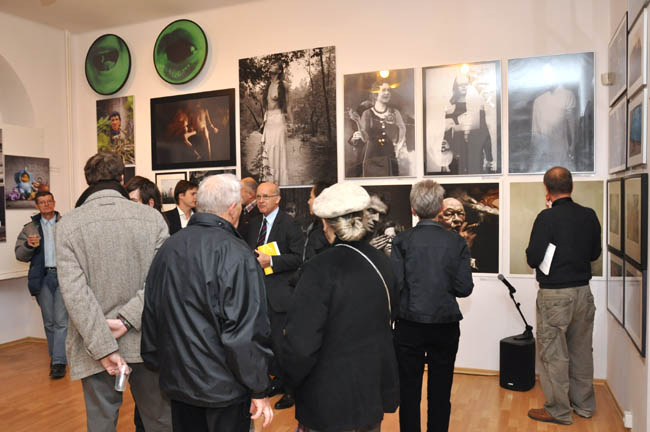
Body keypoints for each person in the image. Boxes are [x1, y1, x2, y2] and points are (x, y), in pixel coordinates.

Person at [141, 174, 274, 432]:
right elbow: (244, 331)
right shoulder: (237, 254)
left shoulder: (169, 247)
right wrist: (258, 387)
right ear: (233, 208)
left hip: (179, 382)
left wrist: (156, 360)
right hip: (224, 389)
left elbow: (152, 310)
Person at [55, 151, 172, 432]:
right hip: (146, 339)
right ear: (122, 177)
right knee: (160, 421)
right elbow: (160, 282)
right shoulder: (153, 219)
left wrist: (104, 345)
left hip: (94, 343)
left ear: (88, 180)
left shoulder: (67, 225)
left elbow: (75, 294)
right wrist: (127, 320)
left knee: (101, 424)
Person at [281, 182, 400, 432]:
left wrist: (289, 379)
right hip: (370, 390)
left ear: (326, 224)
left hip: (328, 398)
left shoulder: (319, 268)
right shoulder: (381, 261)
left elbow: (301, 344)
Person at [390, 180, 474, 432]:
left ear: (413, 209)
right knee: (441, 392)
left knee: (409, 391)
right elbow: (464, 288)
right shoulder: (456, 243)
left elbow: (396, 285)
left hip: (409, 325)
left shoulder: (402, 241)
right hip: (445, 325)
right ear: (440, 208)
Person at [525, 166, 601, 425]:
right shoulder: (589, 215)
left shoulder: (546, 218)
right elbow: (594, 254)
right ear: (572, 186)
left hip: (555, 295)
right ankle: (584, 406)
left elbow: (533, 258)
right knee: (582, 351)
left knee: (553, 354)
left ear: (547, 190)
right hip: (583, 293)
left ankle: (559, 410)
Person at [244, 182, 305, 410]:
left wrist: (272, 261)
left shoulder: (290, 224)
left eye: (266, 197)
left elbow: (299, 258)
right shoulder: (253, 224)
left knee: (282, 345)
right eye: (258, 197)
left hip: (279, 295)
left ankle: (291, 391)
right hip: (257, 293)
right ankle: (277, 382)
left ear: (277, 199)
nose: (260, 201)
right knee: (267, 344)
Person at [125, 175, 164, 432]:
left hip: (154, 331)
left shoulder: (161, 233)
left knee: (157, 405)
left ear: (149, 203)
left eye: (132, 201)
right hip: (132, 332)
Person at [14, 191, 68, 379]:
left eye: (49, 201)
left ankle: (59, 362)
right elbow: (19, 255)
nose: (46, 205)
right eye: (42, 202)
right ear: (37, 206)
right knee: (49, 321)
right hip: (42, 278)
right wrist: (29, 246)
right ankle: (56, 358)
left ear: (54, 202)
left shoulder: (65, 224)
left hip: (63, 277)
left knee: (61, 321)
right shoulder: (29, 228)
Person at [350, 81, 406, 177]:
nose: (387, 93)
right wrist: (358, 121)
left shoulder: (394, 112)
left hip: (389, 156)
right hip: (371, 157)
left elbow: (402, 128)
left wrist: (398, 146)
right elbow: (365, 139)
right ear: (375, 94)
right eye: (383, 90)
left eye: (388, 90)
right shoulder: (367, 113)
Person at [442, 74, 493, 174]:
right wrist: (445, 159)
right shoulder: (451, 106)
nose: (463, 87)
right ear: (456, 86)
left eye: (466, 84)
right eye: (460, 85)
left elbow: (484, 130)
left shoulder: (477, 105)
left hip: (475, 152)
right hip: (457, 153)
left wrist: (489, 157)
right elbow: (446, 134)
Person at [261, 62, 289, 185]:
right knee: (268, 150)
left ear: (279, 70)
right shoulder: (268, 85)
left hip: (278, 119)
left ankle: (279, 182)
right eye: (271, 65)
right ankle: (269, 181)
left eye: (274, 65)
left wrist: (290, 123)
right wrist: (263, 122)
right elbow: (266, 106)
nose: (271, 67)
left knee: (278, 149)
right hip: (269, 121)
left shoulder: (283, 85)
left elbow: (288, 105)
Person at [303, 181, 333, 262]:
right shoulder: (314, 225)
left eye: (311, 197)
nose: (308, 201)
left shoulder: (324, 230)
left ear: (319, 200)